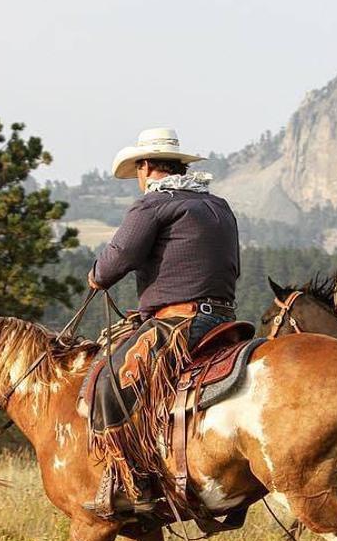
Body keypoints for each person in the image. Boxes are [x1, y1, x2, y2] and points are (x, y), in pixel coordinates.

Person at [85, 127, 241, 518]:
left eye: (138, 170)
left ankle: (131, 482)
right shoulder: (218, 205)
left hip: (180, 323)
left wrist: (96, 275)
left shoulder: (153, 204)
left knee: (108, 381)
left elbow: (115, 261)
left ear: (146, 166)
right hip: (224, 319)